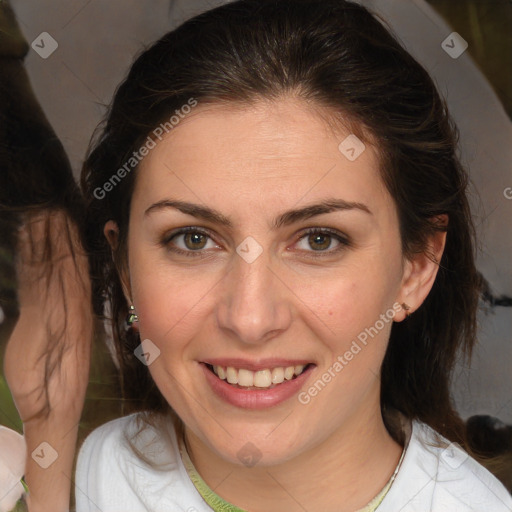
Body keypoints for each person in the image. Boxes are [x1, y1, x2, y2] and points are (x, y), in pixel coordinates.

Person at [76, 0, 512, 510]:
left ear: (415, 269)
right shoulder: (91, 470)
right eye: (193, 239)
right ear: (125, 269)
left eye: (319, 239)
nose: (250, 318)